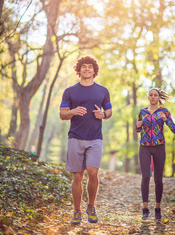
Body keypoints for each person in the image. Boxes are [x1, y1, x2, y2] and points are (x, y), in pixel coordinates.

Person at [59, 55, 112, 225]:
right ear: (79, 70)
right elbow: (62, 114)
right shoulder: (70, 91)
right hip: (75, 137)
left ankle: (91, 206)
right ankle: (76, 211)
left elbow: (109, 111)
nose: (87, 69)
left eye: (90, 67)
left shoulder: (102, 90)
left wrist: (103, 114)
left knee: (93, 172)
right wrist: (73, 111)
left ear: (95, 71)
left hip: (95, 138)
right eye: (84, 67)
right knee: (77, 176)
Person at [136, 88, 175, 220]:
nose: (153, 97)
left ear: (159, 97)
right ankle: (145, 209)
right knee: (146, 176)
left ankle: (157, 209)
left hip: (159, 146)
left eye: (155, 95)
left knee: (158, 179)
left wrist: (166, 119)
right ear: (148, 97)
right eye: (151, 95)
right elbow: (138, 129)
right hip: (145, 147)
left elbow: (174, 129)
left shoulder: (163, 112)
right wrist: (138, 125)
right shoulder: (142, 112)